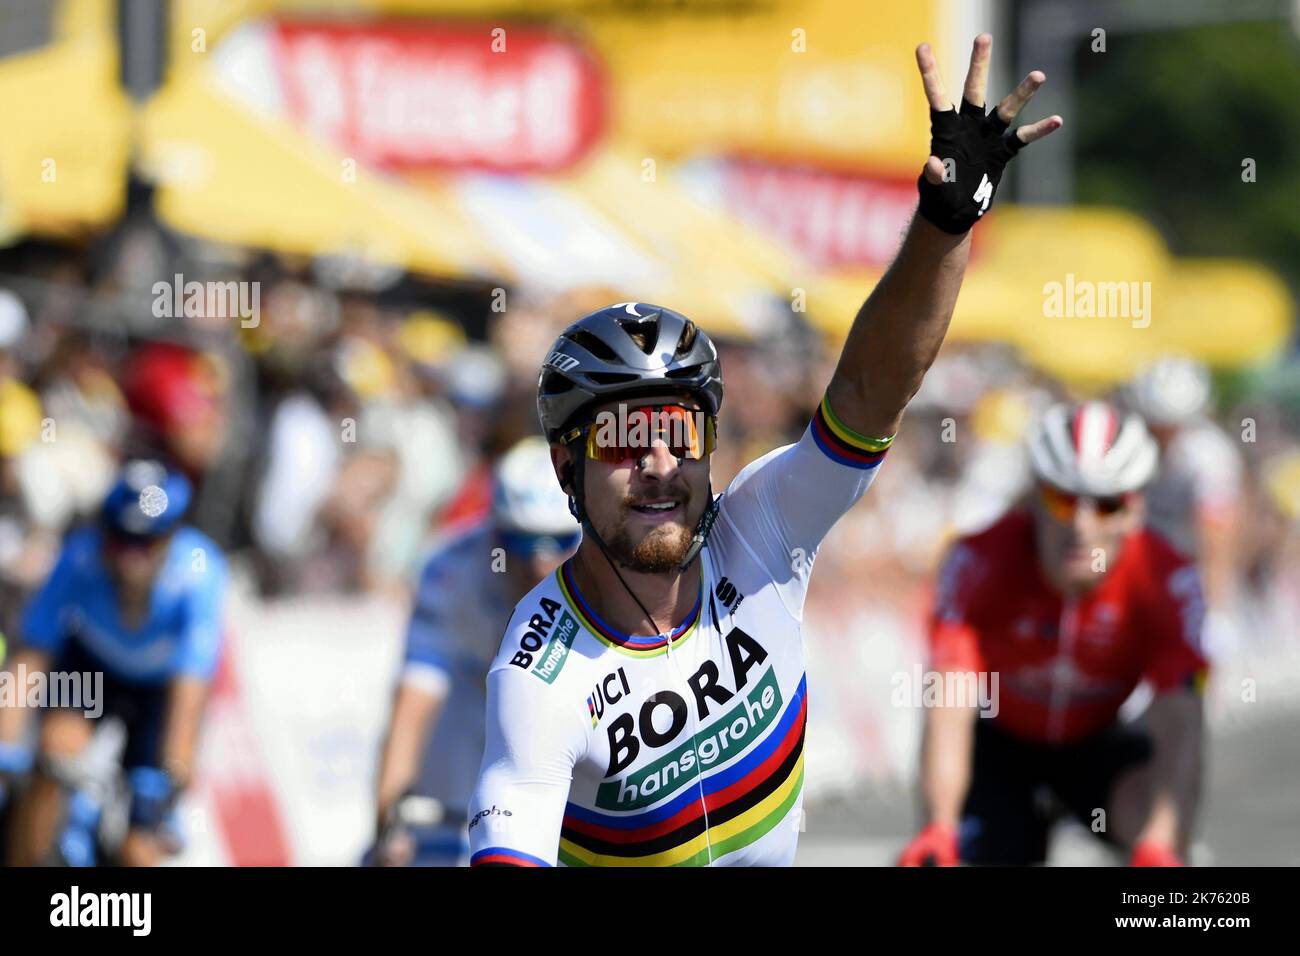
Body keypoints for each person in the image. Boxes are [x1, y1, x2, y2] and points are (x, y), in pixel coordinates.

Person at [467, 33, 1062, 867]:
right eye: (623, 438)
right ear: (566, 468)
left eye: (679, 431)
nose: (659, 465)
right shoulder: (539, 673)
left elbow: (866, 393)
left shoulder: (763, 528)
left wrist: (943, 225)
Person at [897, 401, 1207, 867]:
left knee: (1152, 816)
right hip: (1002, 746)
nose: (1080, 525)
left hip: (1098, 744)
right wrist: (938, 826)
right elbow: (949, 698)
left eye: (1105, 505)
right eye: (1063, 499)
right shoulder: (977, 560)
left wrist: (1161, 844)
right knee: (964, 852)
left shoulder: (1167, 577)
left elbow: (1180, 715)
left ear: (1134, 511)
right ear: (1035, 498)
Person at [0, 459, 228, 866]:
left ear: (170, 537)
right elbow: (33, 655)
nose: (128, 559)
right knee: (53, 755)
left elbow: (190, 692)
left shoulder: (200, 573)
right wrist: (5, 740)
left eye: (144, 544)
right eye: (119, 540)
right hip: (92, 668)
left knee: (141, 846)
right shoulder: (81, 554)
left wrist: (172, 777)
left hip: (160, 691)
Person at [369, 438, 580, 866]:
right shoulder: (450, 570)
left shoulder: (607, 560)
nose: (541, 564)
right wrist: (389, 816)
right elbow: (413, 702)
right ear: (496, 531)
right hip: (470, 699)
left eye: (557, 542)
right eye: (524, 543)